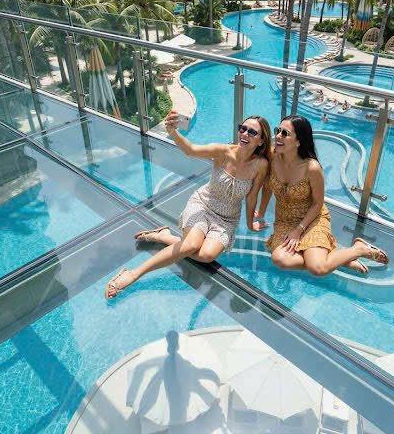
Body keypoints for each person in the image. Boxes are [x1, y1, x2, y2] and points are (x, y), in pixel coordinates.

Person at [105, 112, 271, 299]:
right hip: (203, 205)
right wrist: (172, 132)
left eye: (252, 132)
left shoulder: (261, 165)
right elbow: (190, 149)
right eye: (243, 128)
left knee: (206, 255)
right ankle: (134, 274)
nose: (245, 134)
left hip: (227, 218)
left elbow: (252, 196)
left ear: (261, 141)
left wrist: (250, 224)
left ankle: (164, 237)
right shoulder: (223, 151)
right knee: (190, 245)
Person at [256, 115, 389, 277]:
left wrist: (298, 230)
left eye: (285, 133)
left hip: (311, 220)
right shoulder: (272, 156)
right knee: (280, 259)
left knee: (317, 269)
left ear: (298, 141)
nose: (278, 136)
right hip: (284, 221)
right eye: (278, 131)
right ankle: (338, 259)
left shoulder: (312, 168)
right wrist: (261, 211)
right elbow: (267, 186)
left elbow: (317, 204)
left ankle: (358, 249)